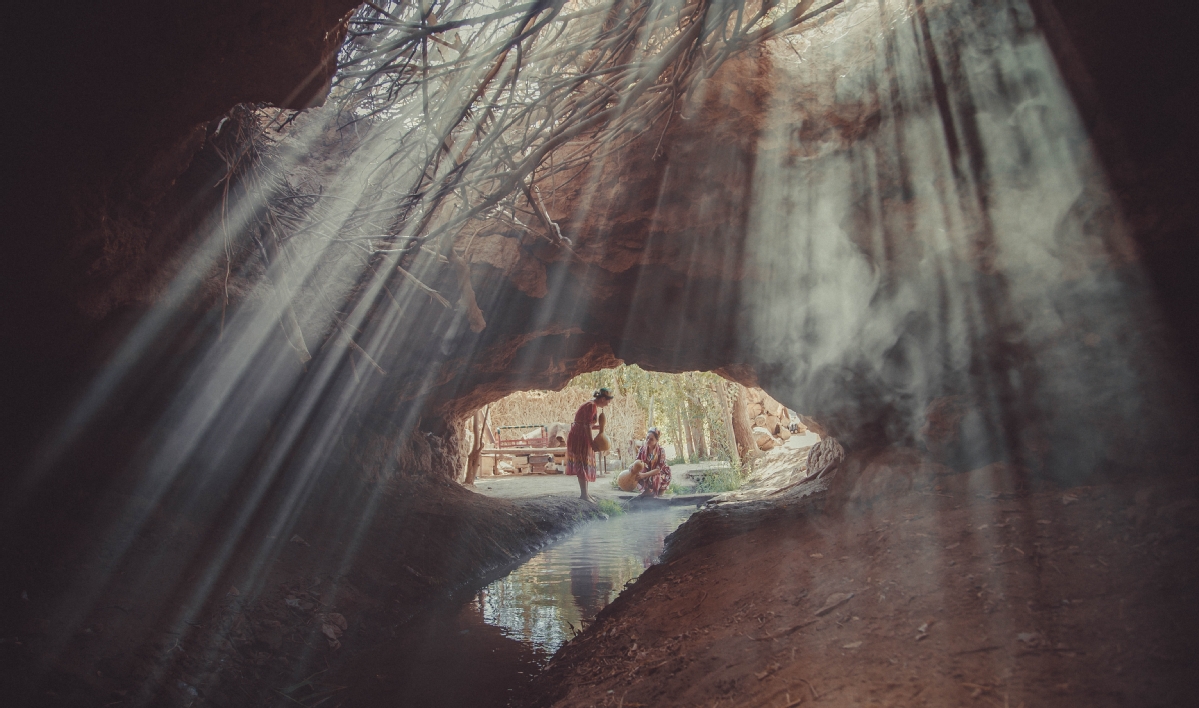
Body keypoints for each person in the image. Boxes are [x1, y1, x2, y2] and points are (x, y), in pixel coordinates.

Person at [565, 387, 613, 502]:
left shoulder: (592, 405)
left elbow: (587, 424)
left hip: (581, 434)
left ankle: (586, 494)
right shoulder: (591, 406)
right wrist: (591, 442)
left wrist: (601, 428)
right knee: (582, 463)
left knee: (584, 463)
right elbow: (586, 426)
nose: (608, 403)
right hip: (579, 436)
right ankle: (584, 495)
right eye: (608, 401)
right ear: (602, 399)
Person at [633, 427, 672, 497]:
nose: (648, 440)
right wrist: (632, 467)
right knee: (637, 471)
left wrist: (643, 475)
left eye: (651, 439)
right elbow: (637, 461)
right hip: (648, 471)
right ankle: (647, 490)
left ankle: (657, 490)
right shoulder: (642, 449)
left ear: (656, 440)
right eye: (647, 438)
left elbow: (658, 469)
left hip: (660, 473)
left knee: (656, 476)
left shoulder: (661, 451)